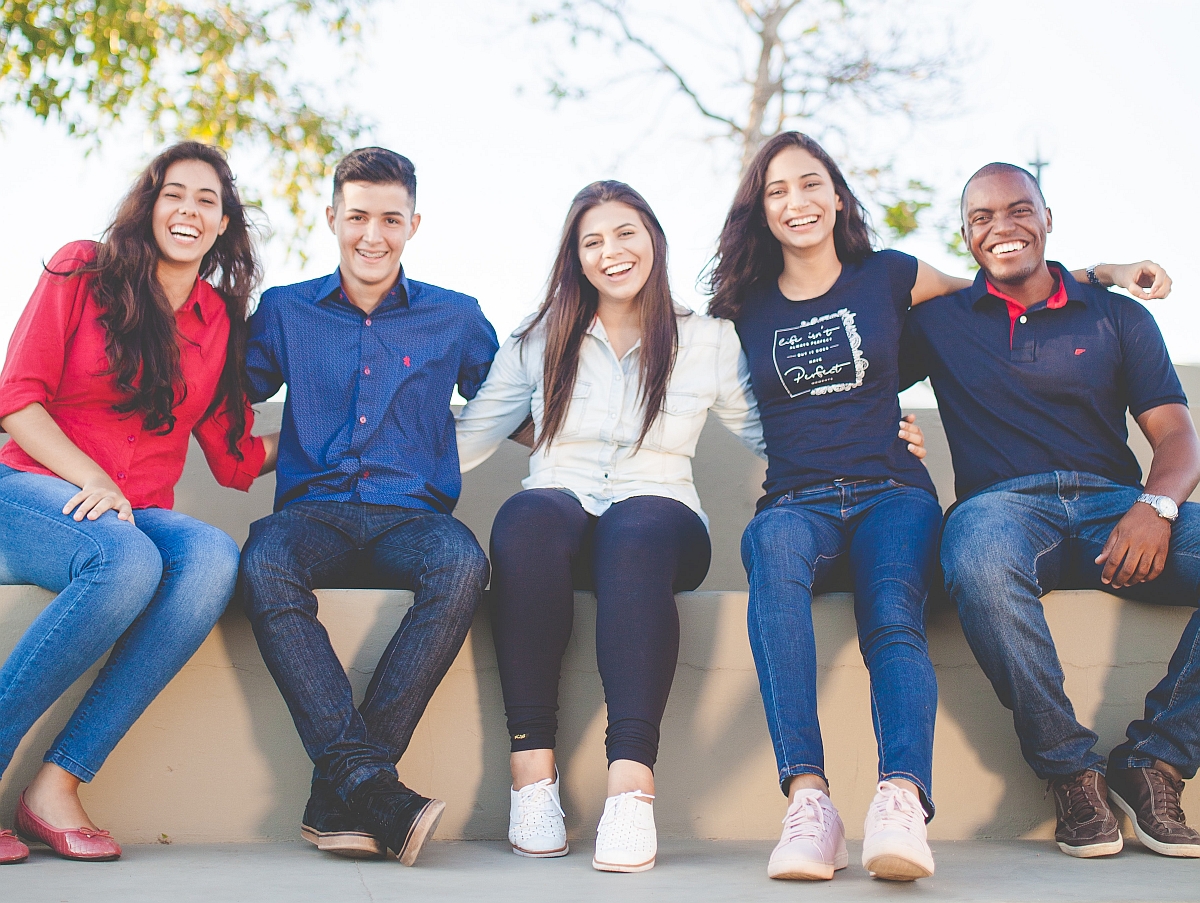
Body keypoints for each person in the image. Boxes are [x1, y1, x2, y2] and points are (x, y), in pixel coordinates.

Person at [705, 131, 1164, 882]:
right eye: (779, 190)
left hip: (893, 491)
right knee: (773, 559)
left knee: (892, 611)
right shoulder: (739, 308)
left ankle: (900, 799)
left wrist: (1104, 272)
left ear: (838, 195)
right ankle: (809, 801)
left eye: (812, 183)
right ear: (759, 208)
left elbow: (1003, 284)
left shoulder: (890, 275)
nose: (798, 202)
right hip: (795, 499)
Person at [455, 180, 926, 872]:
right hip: (559, 510)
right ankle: (533, 779)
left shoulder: (707, 339)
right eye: (592, 241)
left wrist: (872, 436)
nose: (611, 251)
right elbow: (469, 436)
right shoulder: (539, 336)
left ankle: (630, 788)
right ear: (575, 257)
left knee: (636, 530)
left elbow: (779, 431)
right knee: (524, 516)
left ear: (653, 240)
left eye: (625, 233)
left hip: (660, 518)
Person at [902, 162, 1198, 860]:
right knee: (973, 556)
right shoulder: (939, 322)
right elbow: (866, 297)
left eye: (1018, 210)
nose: (1001, 227)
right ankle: (1071, 773)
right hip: (1000, 511)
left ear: (1048, 218)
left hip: (1117, 508)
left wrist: (1156, 506)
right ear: (966, 235)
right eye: (981, 218)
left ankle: (1155, 760)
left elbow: (1177, 435)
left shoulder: (1117, 314)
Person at [0, 143, 273, 864]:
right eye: (173, 193)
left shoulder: (217, 320)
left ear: (222, 225)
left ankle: (56, 784)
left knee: (212, 556)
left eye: (206, 200)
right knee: (125, 562)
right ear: (150, 205)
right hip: (30, 485)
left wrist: (343, 434)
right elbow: (17, 401)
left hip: (133, 510)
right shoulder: (80, 268)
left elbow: (233, 453)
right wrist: (91, 477)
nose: (188, 210)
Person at [239, 147, 498, 866]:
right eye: (357, 217)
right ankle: (373, 787)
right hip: (311, 512)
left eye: (391, 218)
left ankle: (346, 789)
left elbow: (521, 397)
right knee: (263, 562)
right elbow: (223, 391)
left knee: (462, 564)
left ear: (415, 223)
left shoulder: (457, 316)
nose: (372, 235)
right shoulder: (286, 310)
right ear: (332, 218)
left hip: (412, 516)